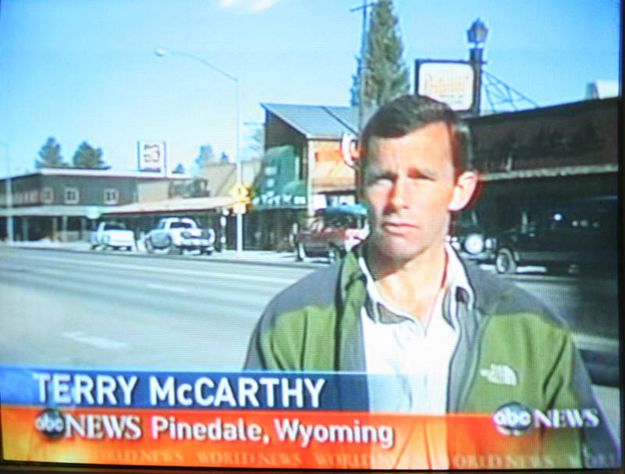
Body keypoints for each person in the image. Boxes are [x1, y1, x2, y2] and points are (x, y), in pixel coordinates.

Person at [244, 95, 618, 468]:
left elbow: (585, 458)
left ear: (461, 189)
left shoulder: (533, 331)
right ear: (361, 186)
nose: (398, 200)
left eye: (421, 178)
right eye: (382, 178)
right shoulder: (295, 322)